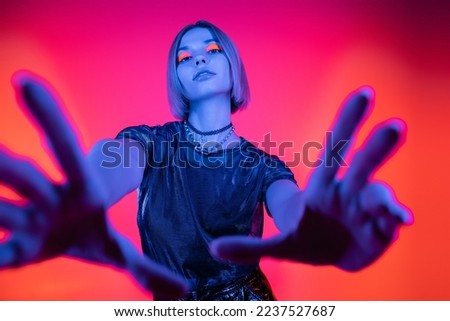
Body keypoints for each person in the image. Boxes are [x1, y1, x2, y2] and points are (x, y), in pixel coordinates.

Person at [0, 20, 412, 300]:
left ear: (233, 69)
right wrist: (87, 189)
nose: (198, 58)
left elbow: (292, 207)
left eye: (212, 50)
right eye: (184, 56)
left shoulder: (264, 166)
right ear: (176, 78)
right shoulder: (151, 144)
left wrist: (313, 221)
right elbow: (113, 164)